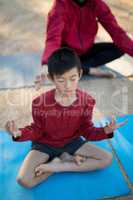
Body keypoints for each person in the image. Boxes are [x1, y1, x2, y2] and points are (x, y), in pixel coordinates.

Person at [5, 47, 127, 188]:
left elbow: (87, 131)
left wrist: (105, 130)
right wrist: (19, 133)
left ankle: (60, 166)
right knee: (23, 180)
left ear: (80, 74)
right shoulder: (39, 103)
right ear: (51, 78)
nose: (68, 85)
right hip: (45, 144)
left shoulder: (87, 101)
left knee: (106, 158)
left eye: (72, 78)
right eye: (61, 80)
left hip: (72, 142)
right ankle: (59, 160)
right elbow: (36, 130)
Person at [35, 0, 133, 88]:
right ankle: (85, 70)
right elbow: (53, 38)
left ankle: (79, 69)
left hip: (86, 50)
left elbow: (117, 33)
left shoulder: (97, 4)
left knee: (119, 48)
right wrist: (46, 64)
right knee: (60, 61)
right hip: (67, 54)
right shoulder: (60, 5)